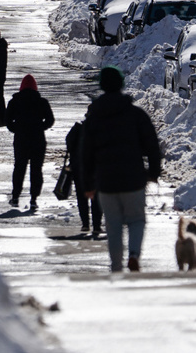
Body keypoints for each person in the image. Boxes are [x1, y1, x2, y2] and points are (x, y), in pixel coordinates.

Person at [81, 66, 161, 272]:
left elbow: (85, 153)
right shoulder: (136, 114)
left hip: (106, 181)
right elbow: (152, 144)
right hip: (133, 178)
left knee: (113, 224)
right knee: (136, 220)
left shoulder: (94, 117)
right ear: (121, 84)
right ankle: (134, 254)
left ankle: (116, 265)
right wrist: (153, 173)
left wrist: (88, 184)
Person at [5, 74, 55, 211]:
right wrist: (40, 127)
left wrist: (17, 129)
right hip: (38, 138)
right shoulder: (42, 102)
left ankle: (15, 196)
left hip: (21, 138)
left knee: (19, 167)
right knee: (36, 169)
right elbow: (50, 120)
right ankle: (34, 198)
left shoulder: (14, 102)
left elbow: (8, 121)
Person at [66, 120, 103, 234]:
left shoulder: (78, 128)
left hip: (79, 167)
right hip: (97, 167)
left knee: (81, 196)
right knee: (97, 197)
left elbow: (69, 144)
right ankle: (96, 225)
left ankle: (85, 224)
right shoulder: (102, 128)